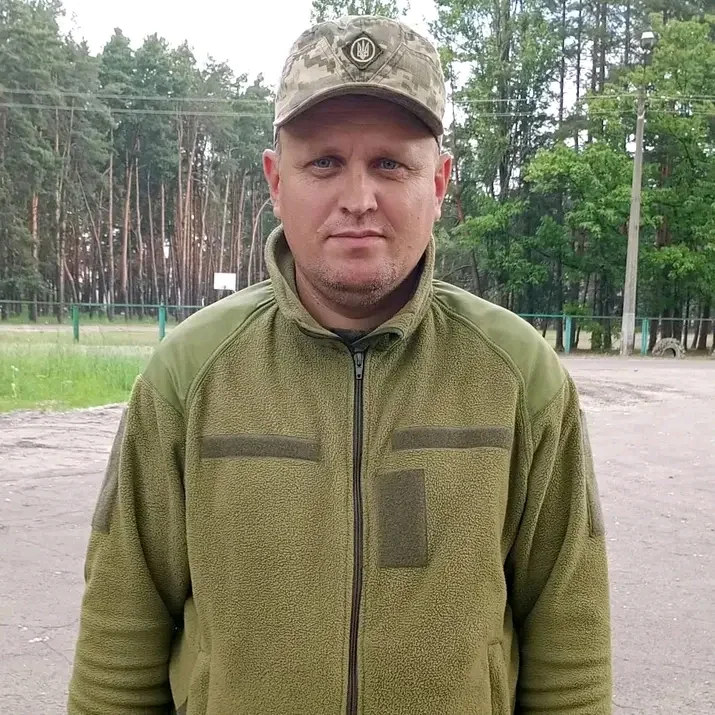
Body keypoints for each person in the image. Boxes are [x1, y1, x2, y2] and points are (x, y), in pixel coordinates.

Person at [67, 14, 612, 715]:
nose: (358, 199)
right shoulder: (189, 376)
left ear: (439, 181)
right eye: (324, 162)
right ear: (275, 179)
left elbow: (569, 634)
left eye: (390, 164)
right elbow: (120, 630)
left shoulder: (518, 377)